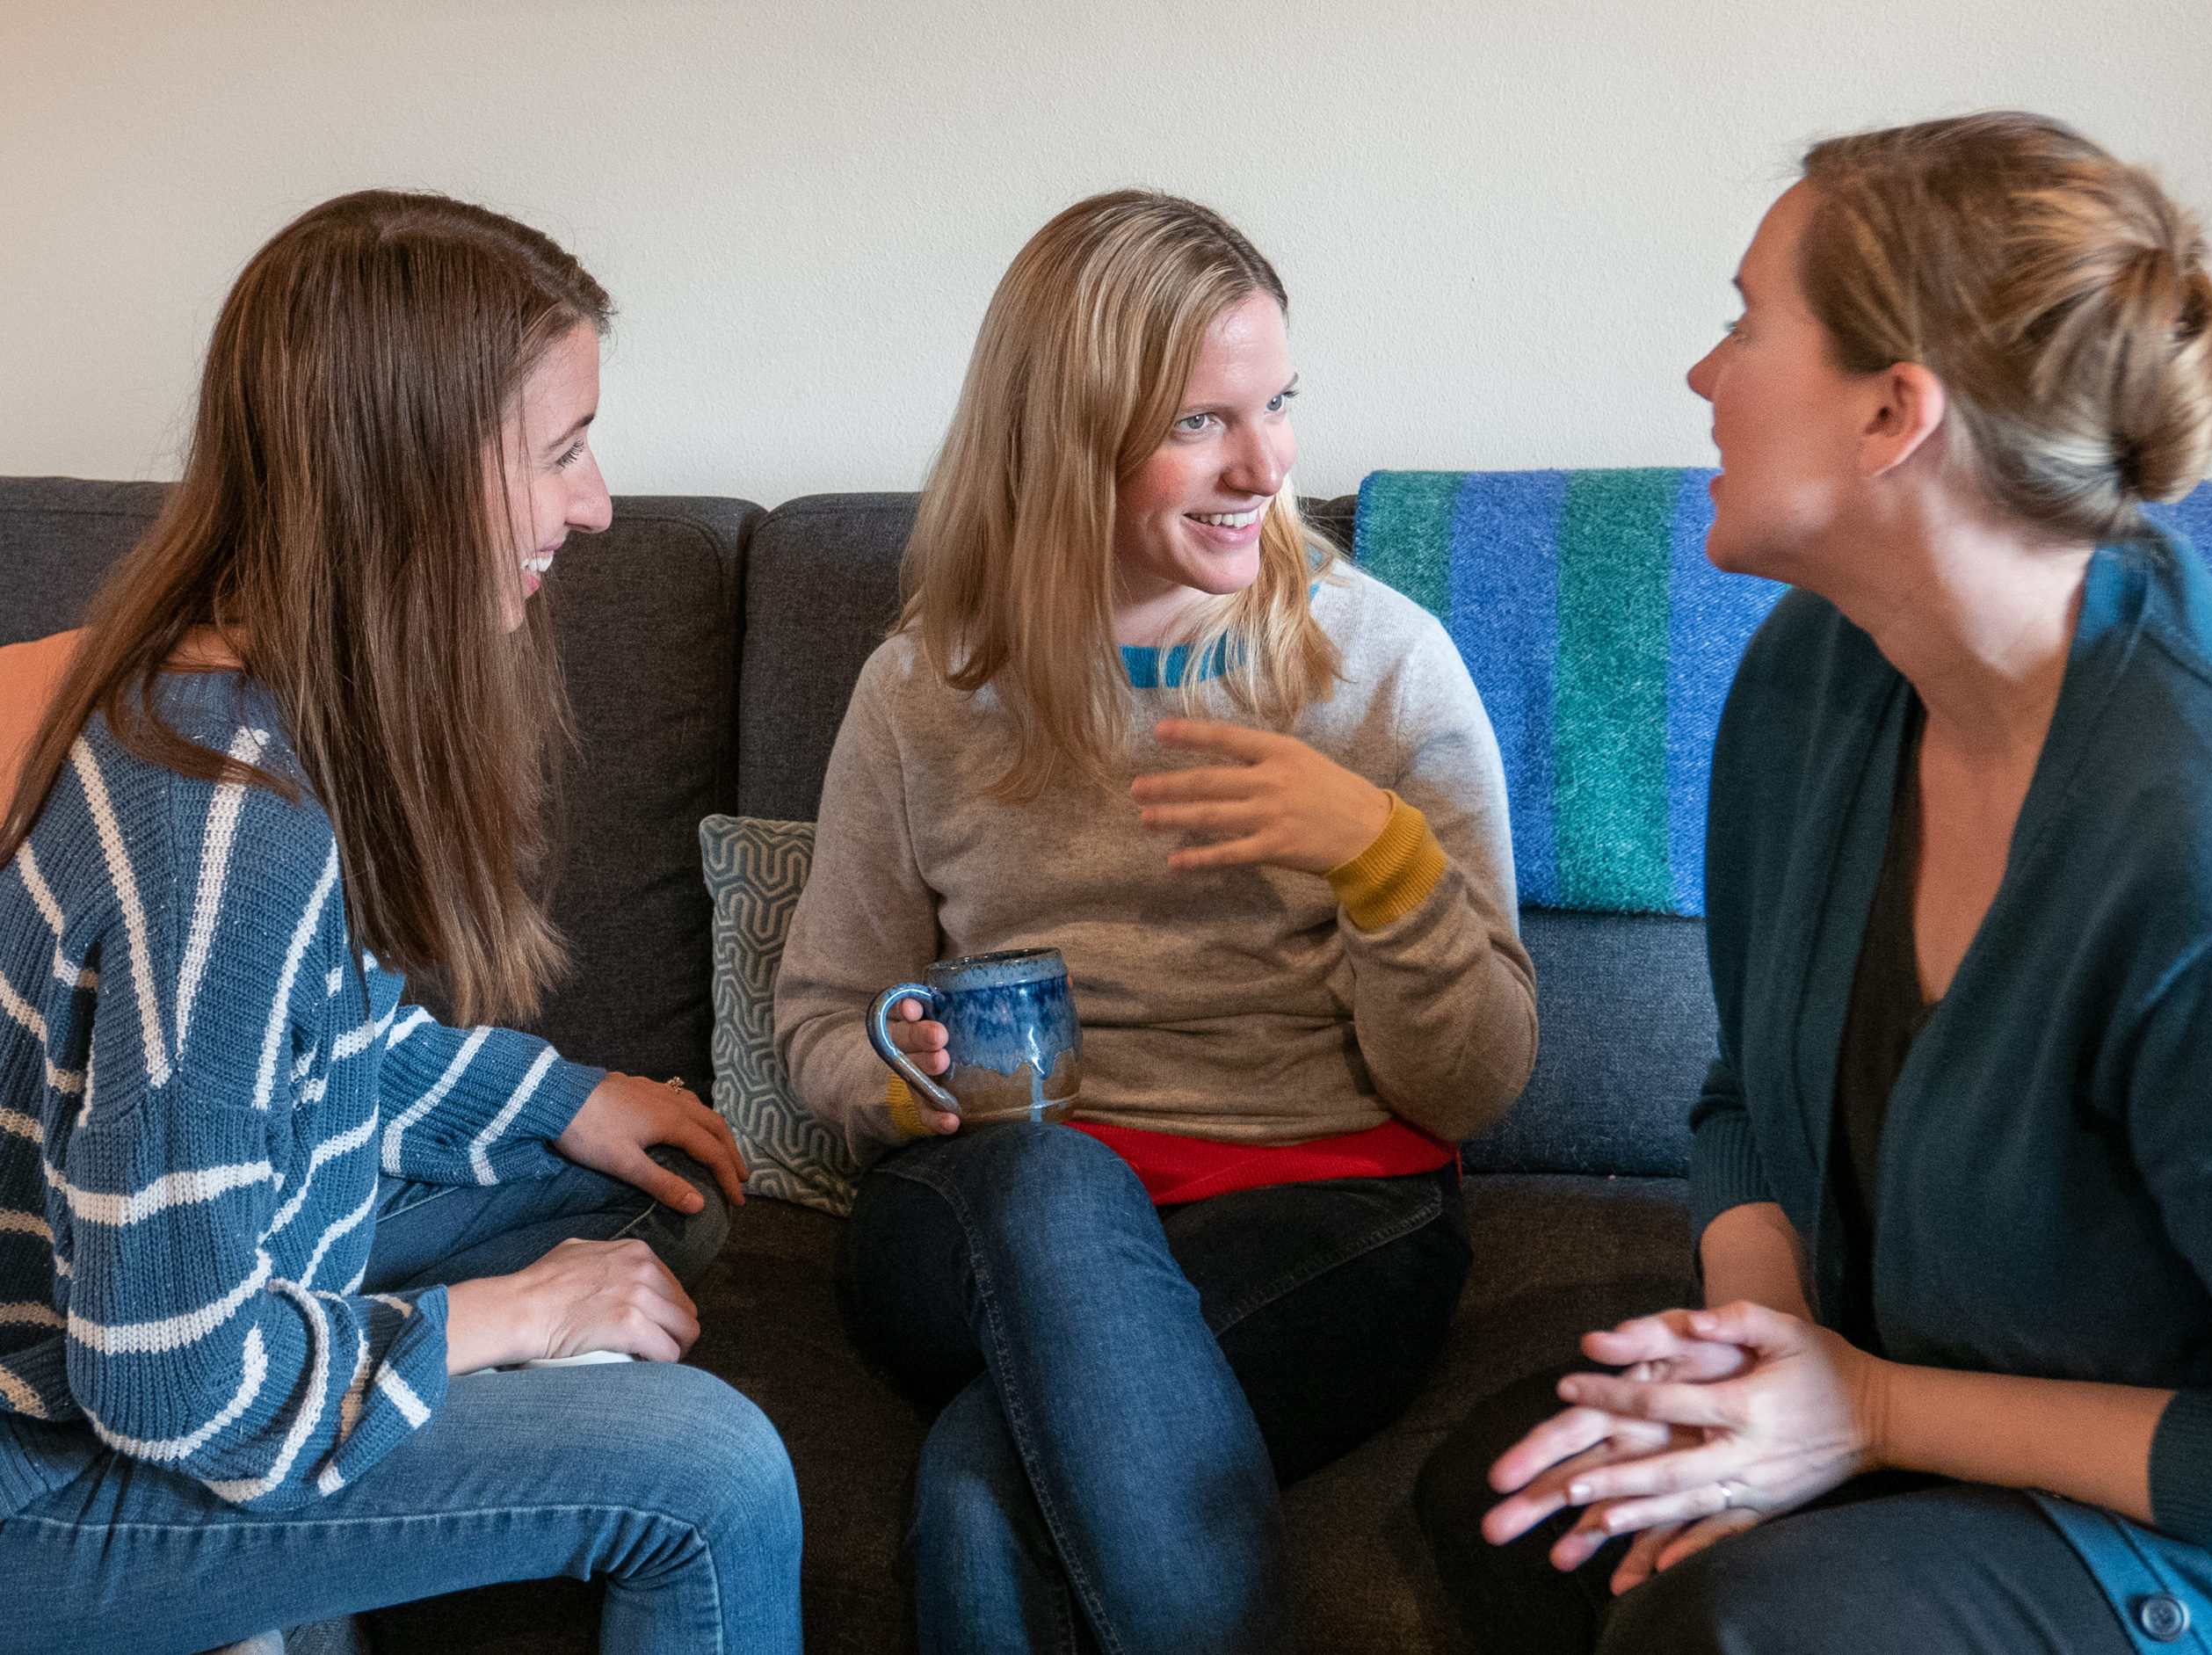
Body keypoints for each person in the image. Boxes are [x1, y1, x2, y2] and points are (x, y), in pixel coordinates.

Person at [1415, 113, 2212, 1654]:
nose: (1704, 377)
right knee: (1523, 1503)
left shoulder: (2210, 838)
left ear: (1892, 415)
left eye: (1744, 322)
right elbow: (1747, 1096)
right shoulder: (1813, 677)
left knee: (1739, 1624)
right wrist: (1764, 1355)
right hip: (1893, 1409)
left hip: (2177, 1532)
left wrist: (1861, 1409)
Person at [0, 191, 801, 1655]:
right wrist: (508, 1320)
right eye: (559, 451)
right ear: (408, 479)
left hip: (160, 1302)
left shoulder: (230, 697)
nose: (599, 502)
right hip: (52, 1478)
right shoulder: (221, 835)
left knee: (654, 1203)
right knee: (712, 1474)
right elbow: (168, 1379)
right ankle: (276, 1579)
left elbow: (317, 1047)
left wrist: (564, 1100)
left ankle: (307, 1557)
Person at [774, 189, 1538, 1654]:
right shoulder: (927, 690)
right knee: (1055, 1185)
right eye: (1203, 422)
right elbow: (821, 1011)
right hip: (996, 1212)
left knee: (982, 1489)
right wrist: (890, 1079)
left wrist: (1379, 861)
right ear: (1064, 441)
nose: (1269, 467)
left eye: (1281, 404)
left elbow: (1476, 1086)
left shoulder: (1382, 670)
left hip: (1326, 1213)